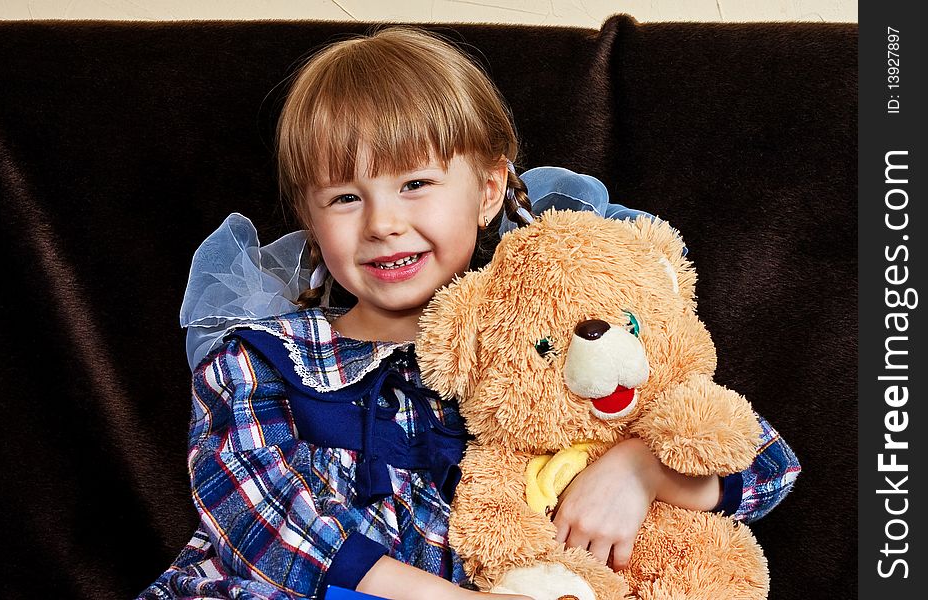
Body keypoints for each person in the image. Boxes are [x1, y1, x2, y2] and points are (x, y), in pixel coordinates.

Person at [141, 27, 799, 600]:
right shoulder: (261, 358)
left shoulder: (542, 349)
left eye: (414, 183)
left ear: (487, 191)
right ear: (311, 221)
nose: (383, 224)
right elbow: (257, 518)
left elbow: (764, 463)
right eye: (344, 197)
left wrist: (637, 468)